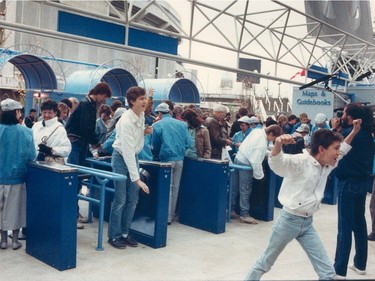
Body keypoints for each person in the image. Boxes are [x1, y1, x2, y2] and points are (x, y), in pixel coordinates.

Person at [245, 121, 362, 281]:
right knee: (264, 263)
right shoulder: (301, 161)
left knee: (327, 272)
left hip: (307, 224)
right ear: (321, 149)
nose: (338, 153)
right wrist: (278, 143)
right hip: (288, 222)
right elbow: (278, 164)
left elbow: (344, 149)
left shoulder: (327, 164)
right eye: (335, 149)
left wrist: (354, 131)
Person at [333, 103, 375, 278]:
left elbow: (338, 150)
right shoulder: (368, 136)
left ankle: (339, 269)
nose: (342, 115)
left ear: (350, 116)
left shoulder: (351, 135)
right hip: (362, 183)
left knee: (344, 227)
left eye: (344, 113)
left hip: (348, 183)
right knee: (359, 224)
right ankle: (360, 264)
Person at [108, 86, 150, 249]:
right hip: (121, 158)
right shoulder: (126, 121)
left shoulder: (140, 115)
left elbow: (134, 145)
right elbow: (126, 151)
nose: (144, 101)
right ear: (132, 101)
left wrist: (144, 132)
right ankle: (114, 235)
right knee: (121, 200)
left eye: (144, 98)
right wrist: (137, 179)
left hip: (133, 156)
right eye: (141, 99)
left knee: (133, 199)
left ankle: (125, 233)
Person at [65, 82, 112, 229]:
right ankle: (72, 216)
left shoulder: (88, 104)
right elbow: (87, 128)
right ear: (99, 93)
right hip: (76, 145)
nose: (104, 101)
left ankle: (74, 214)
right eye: (104, 97)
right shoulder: (87, 105)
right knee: (74, 181)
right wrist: (97, 144)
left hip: (78, 144)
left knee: (77, 181)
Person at [0, 98, 36, 250]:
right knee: (16, 209)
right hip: (18, 178)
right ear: (16, 112)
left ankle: (2, 240)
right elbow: (31, 155)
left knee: (0, 209)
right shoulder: (26, 132)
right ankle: (14, 240)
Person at [234, 125, 282, 224]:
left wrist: (270, 153)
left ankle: (231, 210)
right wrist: (260, 177)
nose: (273, 141)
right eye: (274, 138)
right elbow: (255, 161)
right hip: (246, 165)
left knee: (235, 188)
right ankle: (244, 215)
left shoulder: (258, 131)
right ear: (271, 134)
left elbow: (255, 149)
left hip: (238, 159)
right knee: (245, 190)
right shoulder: (262, 143)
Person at [152, 102, 191, 224]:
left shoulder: (158, 125)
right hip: (180, 159)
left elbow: (155, 144)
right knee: (175, 187)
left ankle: (166, 216)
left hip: (165, 159)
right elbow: (189, 142)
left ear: (159, 113)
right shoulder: (182, 125)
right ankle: (171, 215)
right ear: (170, 111)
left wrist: (157, 154)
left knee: (167, 188)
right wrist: (180, 151)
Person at [32, 100, 71, 164]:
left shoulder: (60, 129)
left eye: (49, 113)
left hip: (50, 164)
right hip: (35, 161)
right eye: (44, 112)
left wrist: (51, 150)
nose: (46, 115)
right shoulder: (36, 125)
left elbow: (67, 149)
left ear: (55, 113)